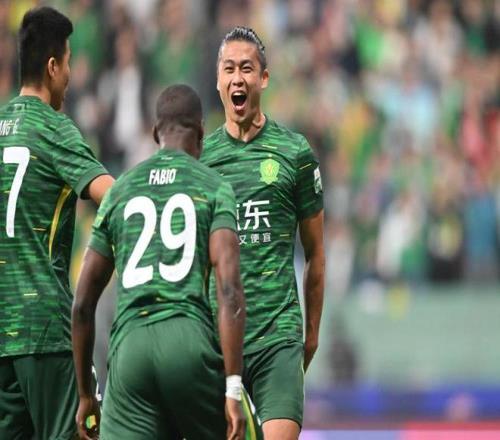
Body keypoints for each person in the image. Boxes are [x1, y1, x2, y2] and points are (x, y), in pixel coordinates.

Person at [72, 84, 263, 440]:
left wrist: (85, 395)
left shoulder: (120, 191)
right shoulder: (213, 187)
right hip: (186, 342)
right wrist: (233, 388)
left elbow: (82, 304)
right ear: (201, 134)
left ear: (155, 132)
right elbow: (229, 291)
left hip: (129, 352)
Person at [201, 26, 325, 440]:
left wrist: (311, 333)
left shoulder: (295, 153)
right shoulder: (201, 159)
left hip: (278, 336)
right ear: (218, 80)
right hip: (217, 343)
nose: (238, 78)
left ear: (264, 78)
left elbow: (316, 253)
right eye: (229, 69)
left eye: (247, 68)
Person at [0, 6, 114, 440]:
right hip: (45, 329)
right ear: (52, 67)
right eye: (67, 64)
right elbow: (113, 195)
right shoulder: (53, 128)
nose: (69, 75)